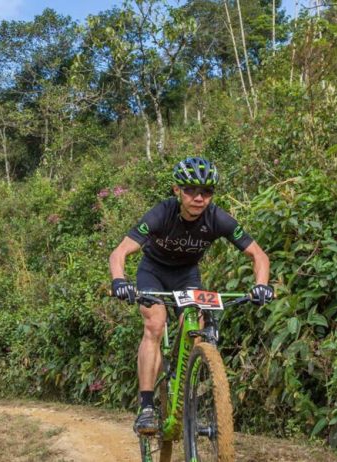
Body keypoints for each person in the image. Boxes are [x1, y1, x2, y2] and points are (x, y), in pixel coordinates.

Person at [108, 156, 273, 435]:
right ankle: (147, 406)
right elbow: (119, 253)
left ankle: (190, 400)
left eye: (206, 191)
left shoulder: (217, 218)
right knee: (155, 324)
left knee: (197, 327)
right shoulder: (161, 214)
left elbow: (259, 255)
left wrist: (261, 285)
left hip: (186, 276)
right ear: (177, 190)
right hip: (154, 274)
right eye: (191, 190)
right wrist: (119, 281)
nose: (199, 198)